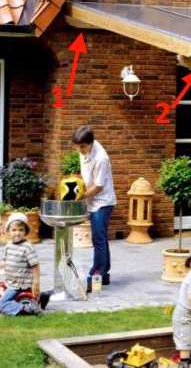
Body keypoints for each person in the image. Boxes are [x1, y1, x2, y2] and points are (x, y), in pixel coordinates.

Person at [72, 125, 117, 293]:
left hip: (102, 202)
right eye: (77, 147)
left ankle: (95, 275)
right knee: (101, 239)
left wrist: (79, 197)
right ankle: (104, 275)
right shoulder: (83, 149)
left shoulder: (101, 158)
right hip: (92, 199)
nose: (80, 150)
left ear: (90, 143)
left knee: (98, 239)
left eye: (82, 147)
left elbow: (98, 186)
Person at [0, 213, 50, 315]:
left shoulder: (27, 247)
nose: (17, 233)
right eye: (14, 230)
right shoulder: (8, 246)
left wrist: (36, 282)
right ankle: (41, 298)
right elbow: (5, 262)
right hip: (10, 281)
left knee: (2, 304)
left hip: (19, 285)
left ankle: (26, 309)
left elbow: (35, 265)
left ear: (25, 231)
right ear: (9, 231)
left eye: (21, 230)